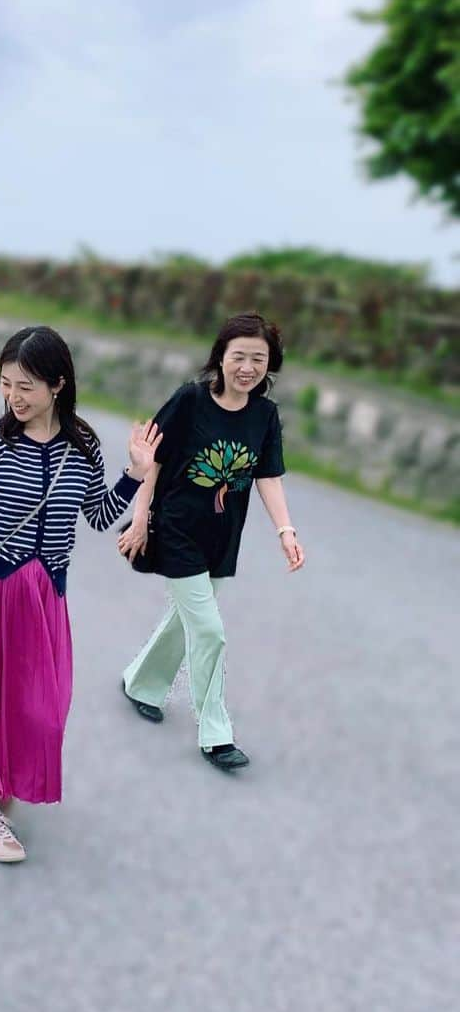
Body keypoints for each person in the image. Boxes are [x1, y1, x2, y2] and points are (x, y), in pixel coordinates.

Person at [0, 326, 161, 863]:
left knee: (43, 705)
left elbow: (99, 515)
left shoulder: (82, 447)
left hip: (44, 598)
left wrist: (134, 475)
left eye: (27, 386)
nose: (14, 397)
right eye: (6, 384)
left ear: (58, 385)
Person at [117, 311, 304, 770]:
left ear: (269, 365)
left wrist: (286, 531)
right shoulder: (190, 400)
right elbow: (152, 460)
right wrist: (140, 518)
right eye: (238, 356)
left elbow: (269, 477)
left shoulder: (264, 415)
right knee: (210, 631)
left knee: (187, 620)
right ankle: (216, 734)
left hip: (222, 537)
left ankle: (140, 681)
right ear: (219, 358)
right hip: (177, 529)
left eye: (258, 359)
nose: (247, 367)